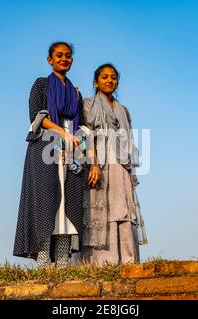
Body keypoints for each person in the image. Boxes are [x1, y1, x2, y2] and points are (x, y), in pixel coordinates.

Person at [13, 42, 86, 268]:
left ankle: (63, 262)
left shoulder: (76, 93)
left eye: (68, 56)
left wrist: (77, 146)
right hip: (45, 149)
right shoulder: (41, 85)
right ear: (50, 60)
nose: (64, 59)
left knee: (67, 206)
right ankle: (44, 260)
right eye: (59, 55)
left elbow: (81, 124)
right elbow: (36, 117)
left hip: (71, 153)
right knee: (46, 204)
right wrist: (62, 133)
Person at [81, 63, 147, 266]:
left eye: (113, 77)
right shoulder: (88, 105)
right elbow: (86, 136)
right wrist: (92, 164)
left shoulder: (123, 110)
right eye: (105, 77)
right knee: (102, 210)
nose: (110, 81)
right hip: (99, 164)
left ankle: (128, 260)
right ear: (96, 82)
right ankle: (102, 262)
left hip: (121, 164)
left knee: (123, 209)